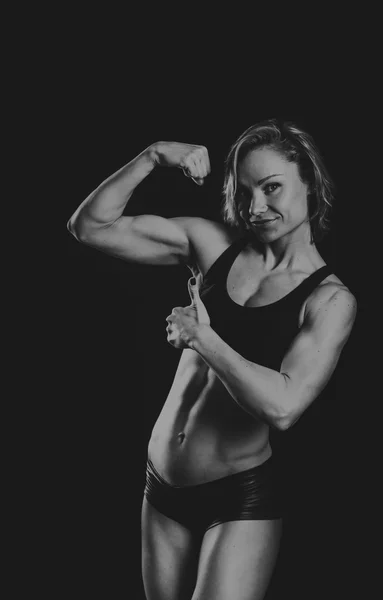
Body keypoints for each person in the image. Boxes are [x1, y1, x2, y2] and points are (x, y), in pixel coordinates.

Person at [68, 119, 357, 600]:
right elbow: (90, 227)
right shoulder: (211, 247)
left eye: (271, 188)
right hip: (160, 485)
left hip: (240, 497)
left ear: (310, 184)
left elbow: (283, 407)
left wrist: (203, 337)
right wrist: (155, 155)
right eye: (245, 193)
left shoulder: (328, 300)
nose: (256, 207)